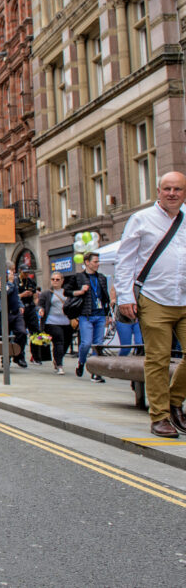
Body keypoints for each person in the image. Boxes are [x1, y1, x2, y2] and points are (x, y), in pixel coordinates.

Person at [115, 171, 186, 438]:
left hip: (184, 296)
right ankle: (160, 417)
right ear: (158, 191)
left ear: (184, 192)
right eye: (167, 188)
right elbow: (125, 260)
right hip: (154, 298)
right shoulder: (141, 219)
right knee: (158, 359)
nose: (172, 193)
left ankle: (174, 401)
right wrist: (125, 297)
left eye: (177, 189)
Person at [64, 251, 111, 382]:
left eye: (98, 261)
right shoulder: (78, 277)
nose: (97, 264)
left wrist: (108, 314)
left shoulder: (101, 277)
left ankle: (96, 372)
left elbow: (105, 296)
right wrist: (80, 291)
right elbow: (66, 291)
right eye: (95, 262)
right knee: (86, 343)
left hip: (100, 314)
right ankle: (82, 362)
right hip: (86, 315)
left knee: (98, 344)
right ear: (87, 262)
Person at [0, 262, 28, 368]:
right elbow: (1, 292)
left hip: (15, 311)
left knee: (22, 333)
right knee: (5, 337)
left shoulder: (14, 279)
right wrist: (10, 283)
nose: (14, 271)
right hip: (2, 312)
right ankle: (6, 358)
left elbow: (15, 294)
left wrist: (20, 305)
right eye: (12, 269)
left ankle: (18, 355)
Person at [38, 272, 73, 375]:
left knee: (66, 342)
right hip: (51, 322)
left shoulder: (67, 293)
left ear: (62, 281)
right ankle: (59, 365)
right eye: (53, 279)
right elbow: (40, 305)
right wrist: (40, 309)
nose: (55, 281)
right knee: (59, 341)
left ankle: (57, 359)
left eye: (57, 279)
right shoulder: (46, 293)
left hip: (66, 322)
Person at [17, 266, 39, 362]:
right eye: (24, 272)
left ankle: (36, 356)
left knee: (35, 331)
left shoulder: (31, 281)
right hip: (20, 309)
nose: (26, 274)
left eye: (27, 272)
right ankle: (20, 356)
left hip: (30, 307)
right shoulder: (15, 281)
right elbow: (12, 296)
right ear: (20, 271)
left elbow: (35, 294)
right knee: (21, 333)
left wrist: (34, 298)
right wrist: (22, 295)